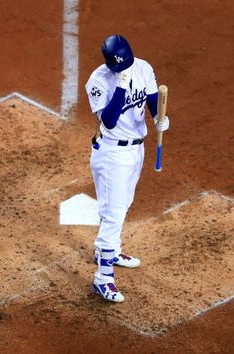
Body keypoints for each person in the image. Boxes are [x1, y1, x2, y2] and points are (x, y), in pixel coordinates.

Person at [85, 34, 169, 303]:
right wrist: (120, 88)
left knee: (121, 204)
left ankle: (108, 251)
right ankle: (103, 277)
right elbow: (109, 120)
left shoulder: (143, 68)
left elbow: (153, 98)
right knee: (114, 212)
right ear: (110, 64)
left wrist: (158, 117)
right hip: (112, 153)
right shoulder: (98, 81)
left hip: (136, 149)